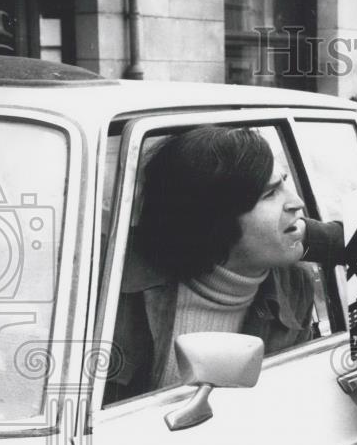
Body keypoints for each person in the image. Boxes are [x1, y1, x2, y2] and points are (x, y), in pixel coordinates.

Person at [107, 126, 315, 402]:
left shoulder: (295, 286)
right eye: (270, 194)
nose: (297, 202)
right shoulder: (115, 289)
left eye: (285, 184)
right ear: (214, 219)